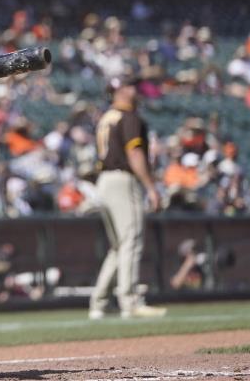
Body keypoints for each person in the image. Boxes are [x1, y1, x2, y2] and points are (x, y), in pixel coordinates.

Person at [89, 76, 167, 319]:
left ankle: (99, 303)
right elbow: (134, 154)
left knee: (119, 246)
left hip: (104, 181)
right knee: (131, 239)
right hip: (122, 180)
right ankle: (130, 301)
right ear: (119, 90)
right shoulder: (129, 116)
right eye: (129, 85)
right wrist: (151, 187)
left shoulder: (107, 117)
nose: (135, 89)